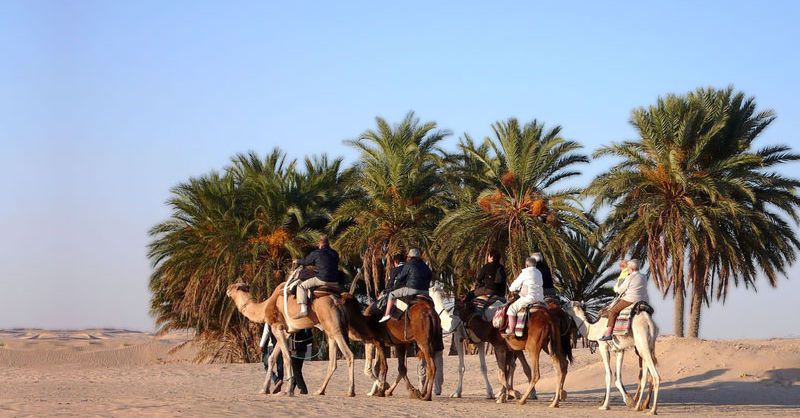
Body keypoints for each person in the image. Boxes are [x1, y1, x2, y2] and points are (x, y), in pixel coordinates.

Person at [600, 259, 649, 341]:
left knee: (612, 311)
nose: (628, 270)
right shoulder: (644, 276)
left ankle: (608, 334)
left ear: (631, 269)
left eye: (628, 268)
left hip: (630, 299)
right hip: (643, 299)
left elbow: (620, 290)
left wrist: (617, 289)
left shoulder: (630, 277)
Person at [379, 248, 432, 323]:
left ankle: (386, 315)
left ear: (410, 256)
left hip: (411, 290)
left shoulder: (409, 264)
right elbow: (430, 276)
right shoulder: (425, 266)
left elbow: (400, 277)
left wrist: (397, 285)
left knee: (391, 295)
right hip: (425, 292)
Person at [293, 235, 340, 318]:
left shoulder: (317, 253)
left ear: (320, 243)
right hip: (335, 281)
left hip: (322, 279)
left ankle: (303, 310)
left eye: (318, 244)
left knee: (301, 286)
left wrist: (297, 261)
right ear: (328, 243)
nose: (318, 245)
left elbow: (306, 261)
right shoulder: (335, 253)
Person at [259, 325, 312, 394]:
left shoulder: (293, 326)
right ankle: (289, 386)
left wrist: (261, 344)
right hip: (299, 349)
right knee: (293, 369)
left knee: (296, 370)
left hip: (294, 350)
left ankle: (302, 389)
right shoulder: (301, 327)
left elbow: (266, 332)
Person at [504, 257, 544, 335]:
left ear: (526, 265)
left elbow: (514, 286)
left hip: (528, 299)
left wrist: (512, 289)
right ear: (535, 265)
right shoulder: (539, 272)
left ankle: (511, 330)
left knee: (511, 309)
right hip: (540, 299)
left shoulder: (525, 273)